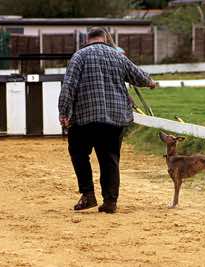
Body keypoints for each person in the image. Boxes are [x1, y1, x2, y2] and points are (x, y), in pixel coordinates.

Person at [58, 27, 156, 213]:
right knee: (109, 158)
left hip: (85, 117)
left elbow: (68, 87)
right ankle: (110, 202)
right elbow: (139, 77)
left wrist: (64, 113)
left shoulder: (79, 56)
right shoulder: (118, 56)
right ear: (105, 38)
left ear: (88, 39)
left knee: (78, 153)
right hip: (115, 117)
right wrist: (151, 83)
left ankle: (88, 194)